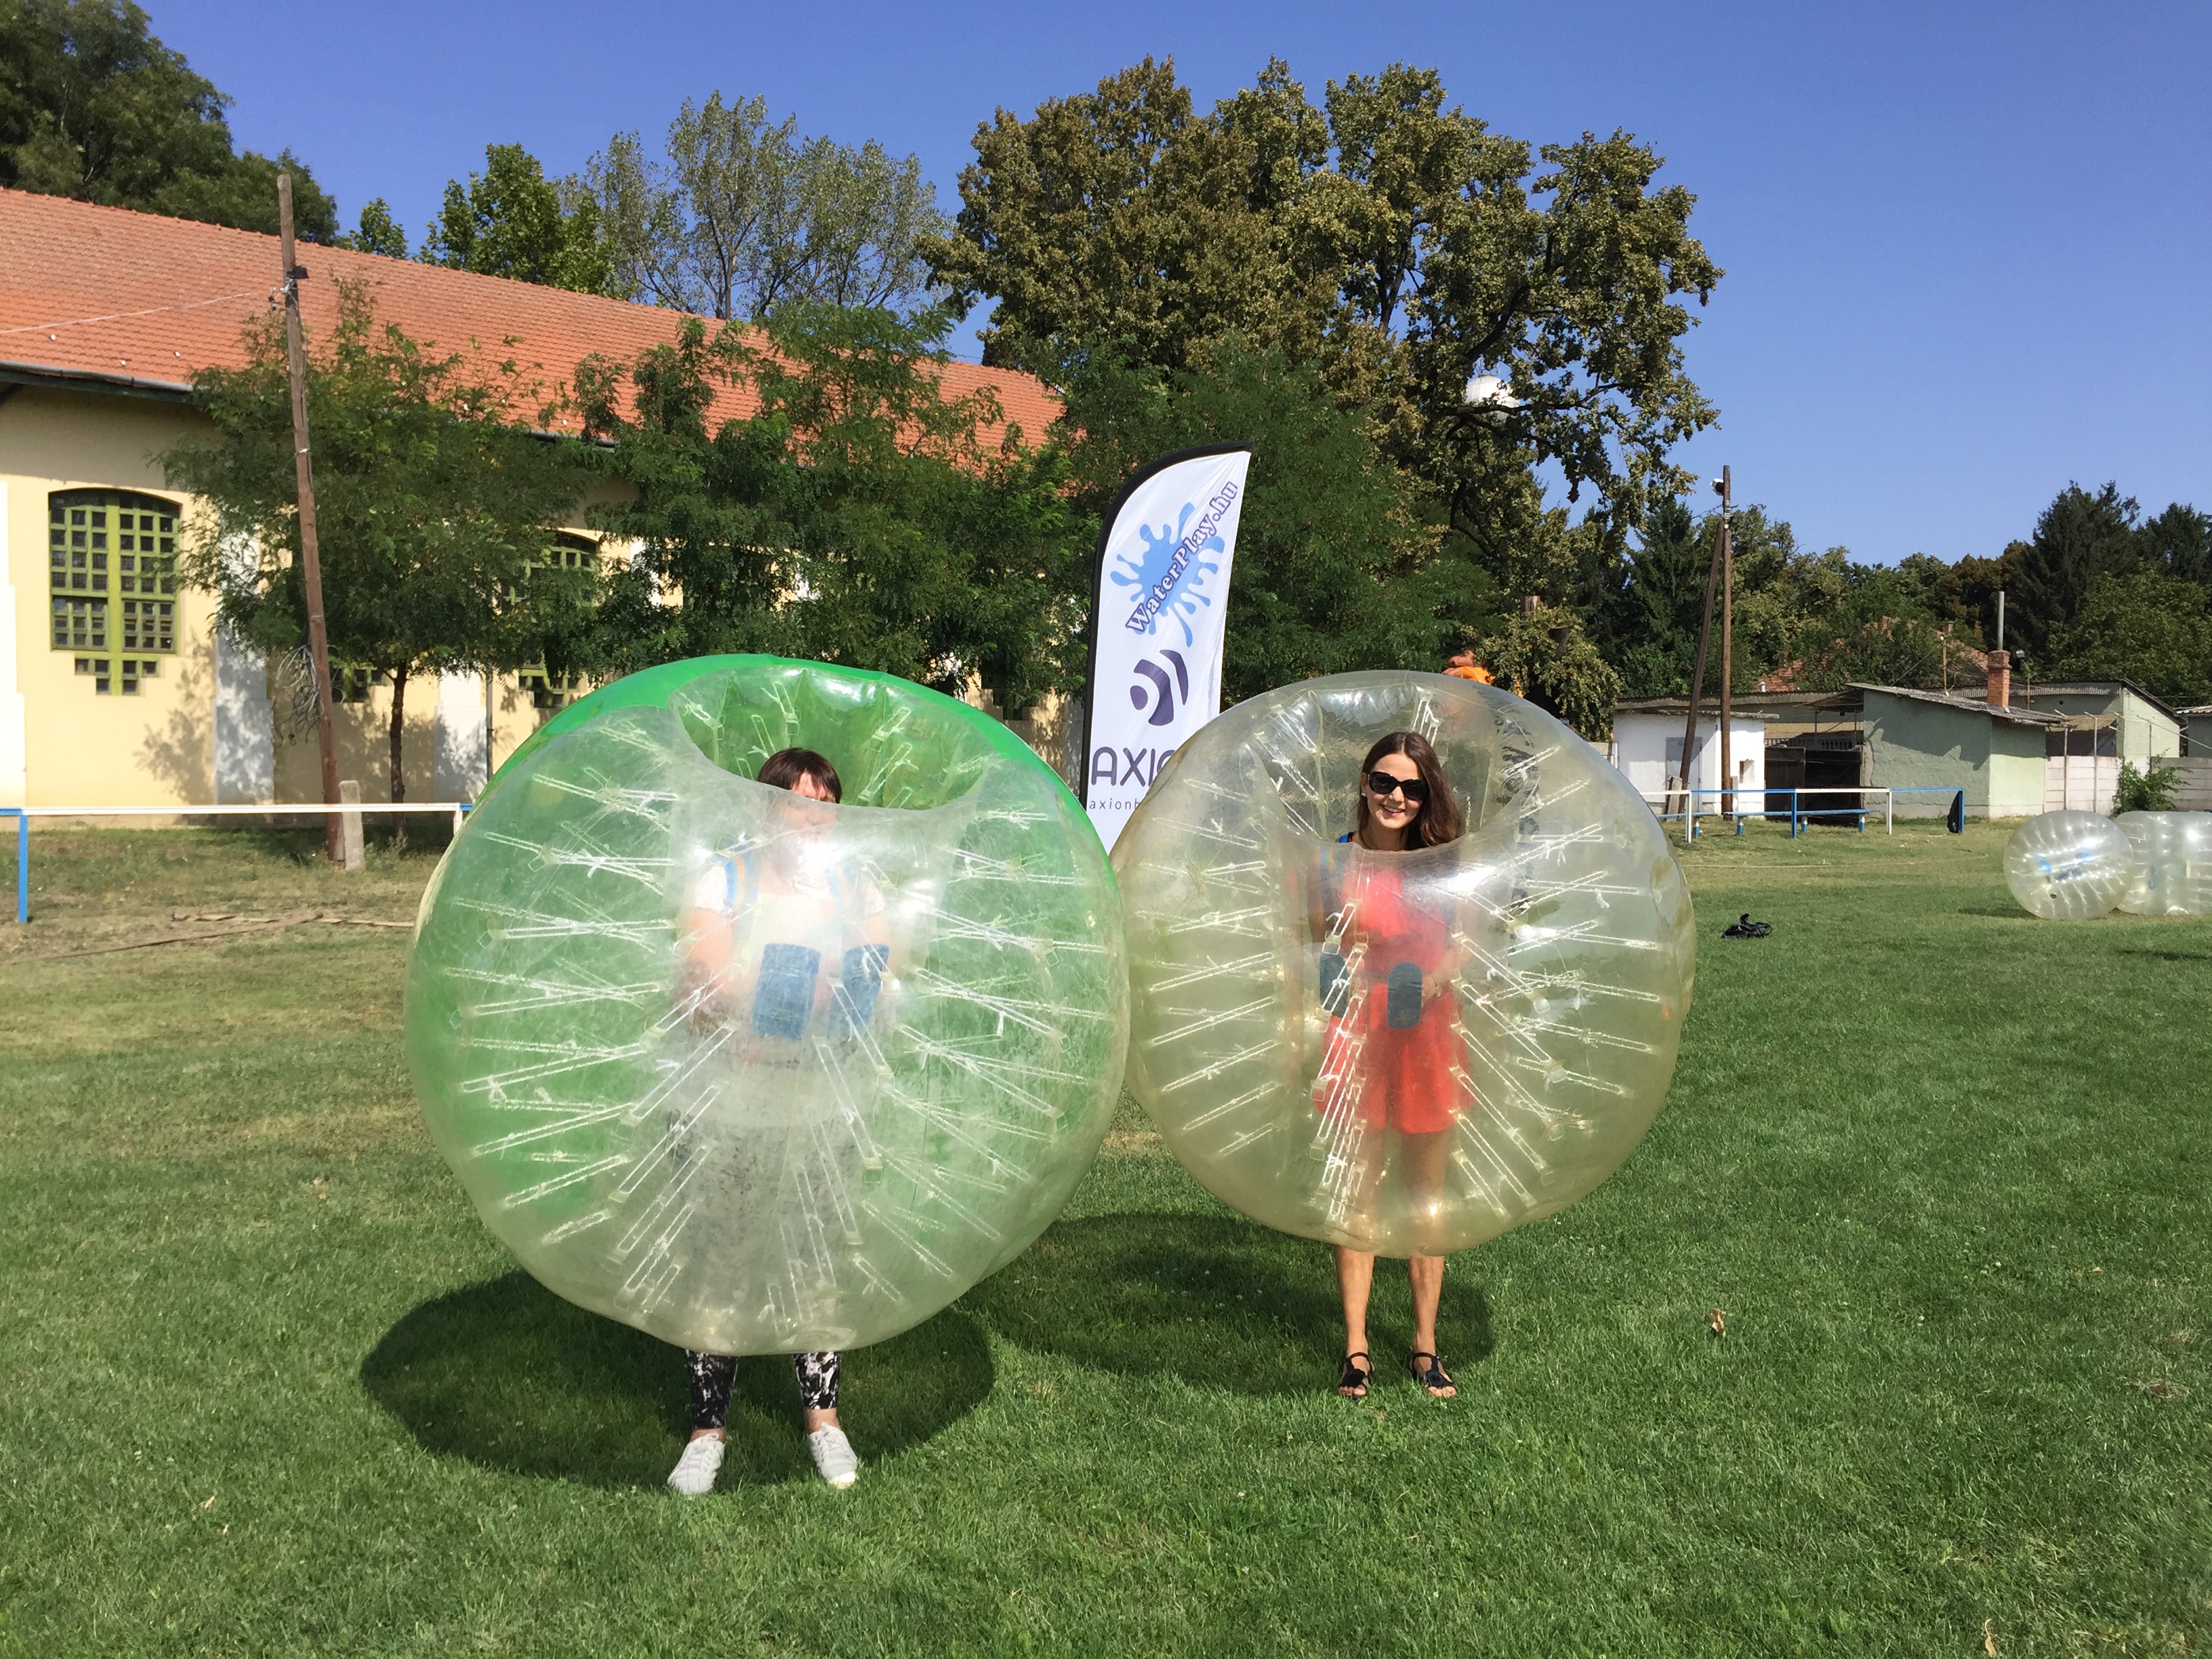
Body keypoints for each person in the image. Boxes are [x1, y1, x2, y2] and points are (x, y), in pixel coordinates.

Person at [665, 746, 886, 1496]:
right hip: (729, 1101)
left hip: (818, 1100)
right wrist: (790, 983)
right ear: (766, 810)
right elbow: (704, 983)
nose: (814, 819)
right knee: (721, 1259)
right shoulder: (723, 878)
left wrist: (788, 983)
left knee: (814, 1257)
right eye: (799, 802)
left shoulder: (856, 885)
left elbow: (874, 976)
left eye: (827, 806)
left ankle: (824, 1420)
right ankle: (706, 1430)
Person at [1313, 732, 1467, 1401]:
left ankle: (1426, 1346)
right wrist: (1331, 981)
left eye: (1412, 787)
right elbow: (1313, 940)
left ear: (1427, 795)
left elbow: (1467, 943)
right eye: (1383, 782)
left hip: (1426, 1031)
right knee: (1359, 1192)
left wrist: (1431, 984)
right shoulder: (1335, 862)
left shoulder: (1444, 866)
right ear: (1364, 784)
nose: (1396, 797)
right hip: (1357, 1035)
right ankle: (1356, 1349)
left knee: (1425, 1195)